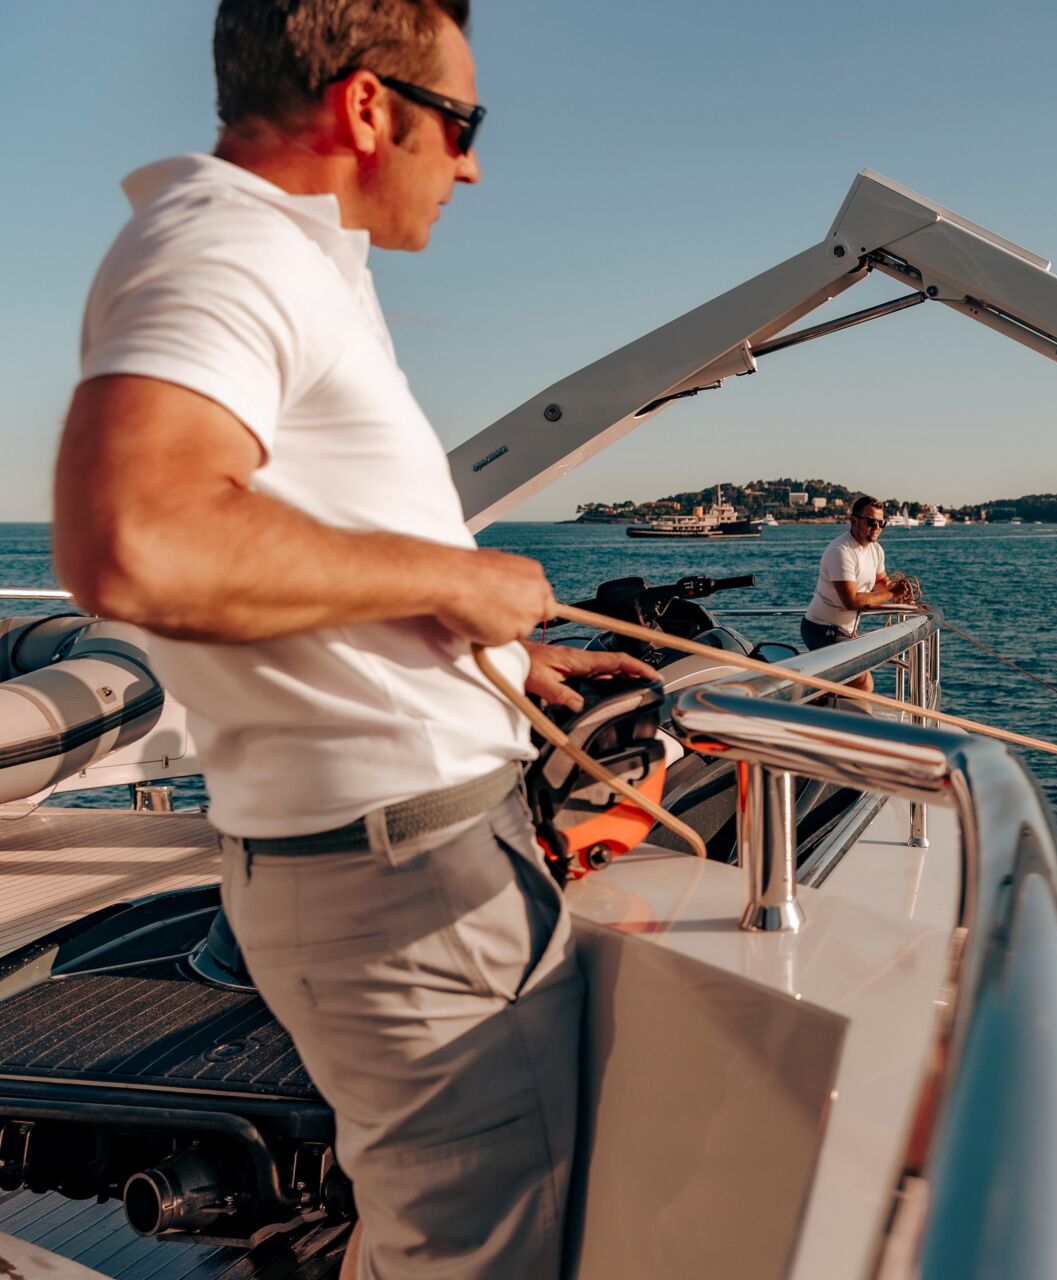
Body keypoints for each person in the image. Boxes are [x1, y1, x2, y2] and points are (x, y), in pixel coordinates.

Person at [50, 3, 638, 1275]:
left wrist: (503, 658)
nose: (471, 166)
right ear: (368, 107)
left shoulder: (291, 261)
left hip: (390, 864)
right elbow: (137, 537)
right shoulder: (229, 249)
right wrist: (457, 577)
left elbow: (302, 552)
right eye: (463, 123)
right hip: (402, 880)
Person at [801, 495, 906, 692]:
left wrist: (900, 593)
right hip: (821, 629)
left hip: (845, 631)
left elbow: (881, 583)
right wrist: (892, 593)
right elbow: (851, 601)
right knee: (863, 683)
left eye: (881, 523)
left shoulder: (876, 550)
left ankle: (821, 698)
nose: (877, 527)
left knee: (854, 682)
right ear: (853, 521)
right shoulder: (841, 552)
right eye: (871, 522)